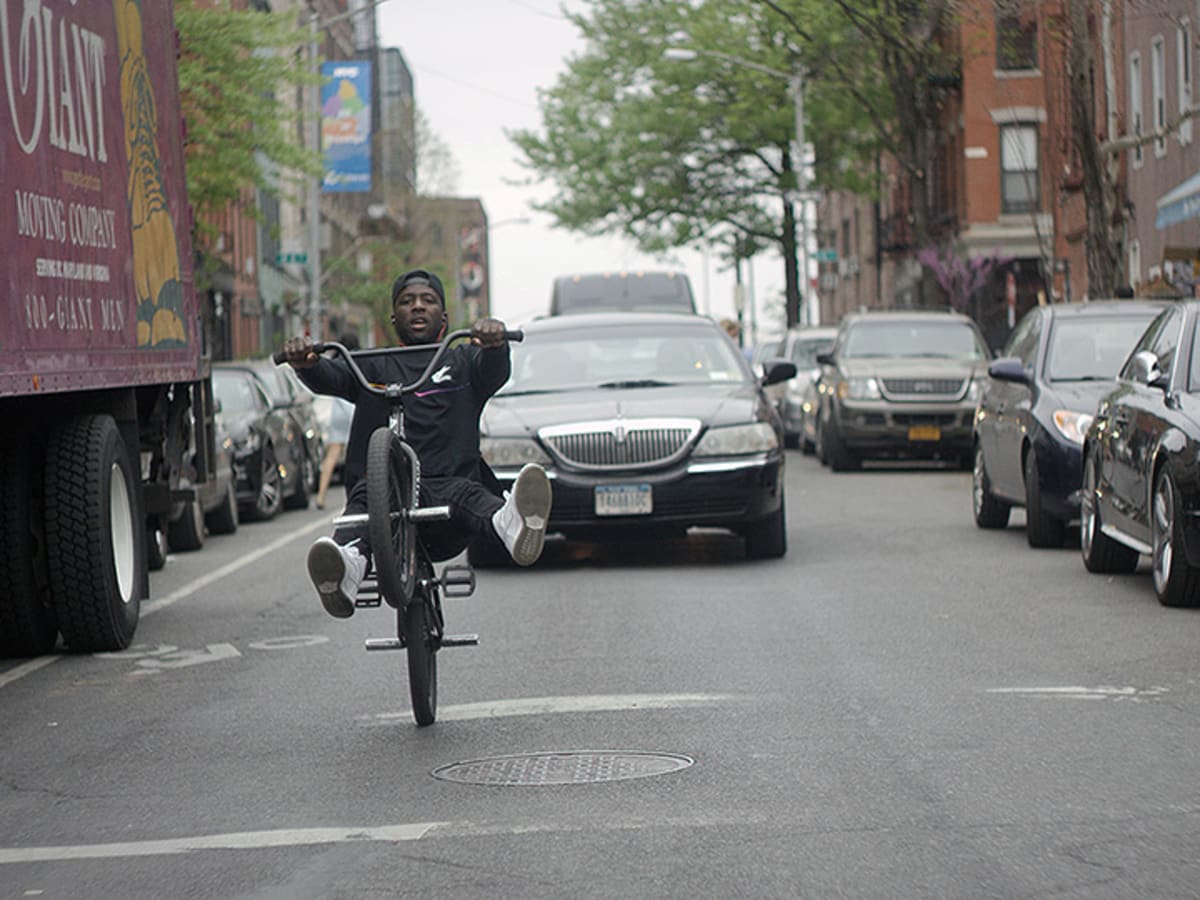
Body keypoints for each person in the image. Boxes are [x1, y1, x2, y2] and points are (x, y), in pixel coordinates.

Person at [279, 269, 552, 619]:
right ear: (394, 317)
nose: (418, 307)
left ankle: (513, 524)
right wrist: (307, 363)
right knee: (357, 513)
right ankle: (345, 571)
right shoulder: (372, 364)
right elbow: (330, 376)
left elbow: (494, 371)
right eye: (407, 302)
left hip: (450, 495)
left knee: (471, 495)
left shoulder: (463, 358)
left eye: (428, 300)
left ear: (445, 315)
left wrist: (495, 345)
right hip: (382, 501)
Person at [315, 332, 360, 510]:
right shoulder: (359, 359)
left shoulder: (335, 361)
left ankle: (321, 495)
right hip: (354, 408)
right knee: (361, 452)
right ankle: (359, 495)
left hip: (339, 412)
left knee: (332, 454)